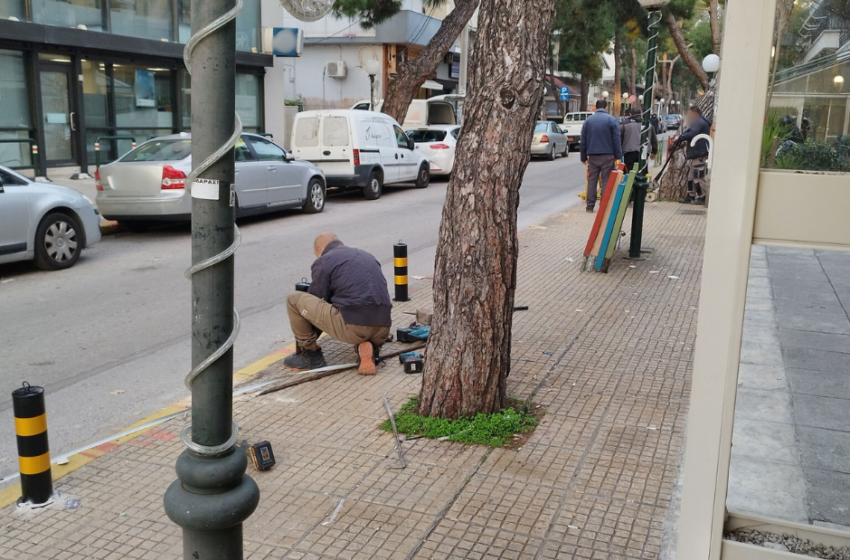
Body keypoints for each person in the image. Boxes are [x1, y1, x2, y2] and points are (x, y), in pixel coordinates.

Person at [284, 232, 392, 375]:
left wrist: (308, 339)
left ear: (319, 250)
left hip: (354, 328)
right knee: (356, 306)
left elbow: (317, 301)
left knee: (293, 299)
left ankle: (311, 356)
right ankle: (371, 347)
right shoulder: (367, 256)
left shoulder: (324, 260)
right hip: (383, 329)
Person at [580, 99, 623, 213]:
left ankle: (589, 206)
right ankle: (603, 206)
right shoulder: (611, 120)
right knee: (606, 180)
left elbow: (583, 140)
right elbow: (616, 139)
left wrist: (583, 157)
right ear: (606, 107)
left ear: (595, 107)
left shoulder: (588, 121)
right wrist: (618, 155)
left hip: (592, 155)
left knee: (592, 180)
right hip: (608, 155)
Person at [675, 106, 712, 205]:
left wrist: (680, 138)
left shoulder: (700, 122)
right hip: (696, 152)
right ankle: (690, 195)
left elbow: (691, 133)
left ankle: (701, 196)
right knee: (691, 176)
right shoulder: (697, 121)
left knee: (698, 176)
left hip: (699, 152)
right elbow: (689, 131)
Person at [620, 108, 658, 174]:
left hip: (629, 152)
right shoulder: (648, 125)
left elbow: (619, 139)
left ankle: (631, 183)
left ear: (630, 114)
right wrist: (654, 152)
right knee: (642, 171)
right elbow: (654, 140)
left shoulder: (624, 125)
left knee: (629, 173)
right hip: (644, 151)